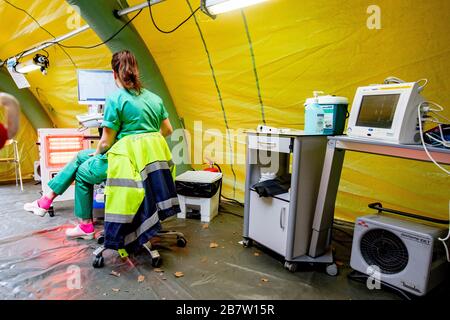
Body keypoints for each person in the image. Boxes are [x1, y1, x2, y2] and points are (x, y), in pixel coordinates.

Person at [24, 50, 174, 240]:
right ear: (136, 70)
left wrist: (97, 154)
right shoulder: (155, 98)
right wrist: (144, 146)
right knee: (80, 156)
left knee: (82, 172)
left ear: (114, 73)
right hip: (149, 163)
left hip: (124, 163)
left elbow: (105, 143)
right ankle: (45, 201)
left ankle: (84, 225)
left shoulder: (116, 98)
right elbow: (167, 130)